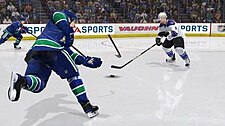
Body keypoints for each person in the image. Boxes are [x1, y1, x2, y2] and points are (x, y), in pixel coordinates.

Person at [7, 9, 102, 118]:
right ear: (70, 18)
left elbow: (68, 54)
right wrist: (69, 32)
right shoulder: (60, 15)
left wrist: (86, 61)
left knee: (39, 84)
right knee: (73, 75)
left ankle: (21, 80)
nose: (75, 26)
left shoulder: (62, 35)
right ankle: (87, 107)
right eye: (75, 22)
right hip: (52, 50)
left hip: (37, 53)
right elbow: (60, 20)